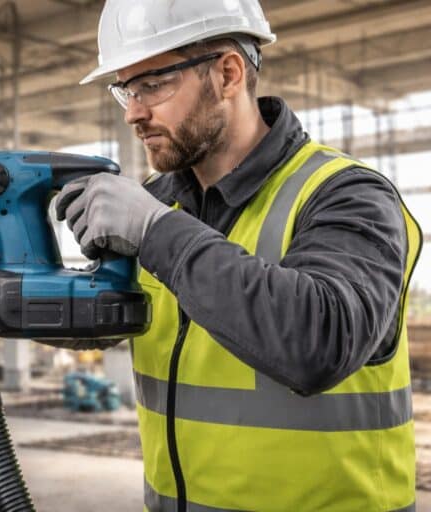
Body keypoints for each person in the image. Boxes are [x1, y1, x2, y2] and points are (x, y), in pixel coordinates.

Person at [53, 1, 423, 510]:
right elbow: (115, 319)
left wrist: (157, 232)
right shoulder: (159, 203)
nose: (133, 112)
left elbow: (320, 339)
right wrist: (12, 282)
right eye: (126, 89)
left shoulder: (346, 195)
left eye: (152, 85)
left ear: (227, 73)